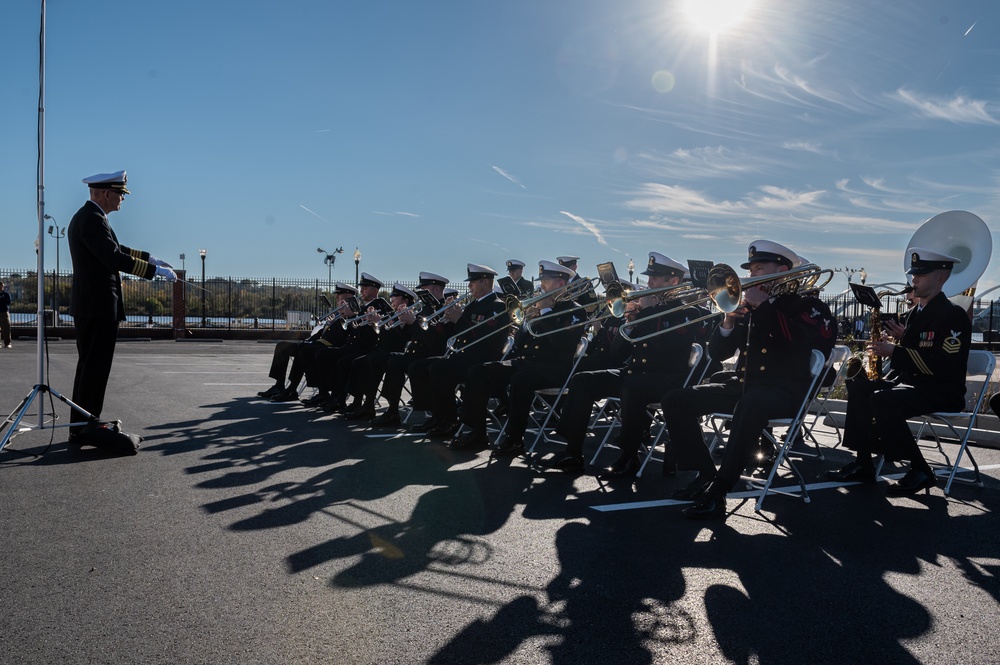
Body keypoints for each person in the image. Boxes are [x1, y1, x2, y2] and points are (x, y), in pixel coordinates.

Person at [660, 240, 835, 519]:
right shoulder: (750, 309)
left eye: (759, 268)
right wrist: (728, 322)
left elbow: (798, 342)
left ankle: (718, 492)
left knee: (751, 404)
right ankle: (706, 475)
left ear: (783, 270)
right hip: (745, 386)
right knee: (677, 399)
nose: (753, 276)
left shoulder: (808, 307)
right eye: (751, 270)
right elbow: (719, 353)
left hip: (785, 390)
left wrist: (764, 307)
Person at [547, 253, 711, 474]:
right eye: (650, 278)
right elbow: (616, 354)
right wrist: (630, 324)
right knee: (583, 380)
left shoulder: (686, 313)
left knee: (633, 387)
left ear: (673, 281)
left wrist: (649, 312)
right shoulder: (644, 313)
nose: (649, 283)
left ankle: (628, 455)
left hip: (667, 379)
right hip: (635, 373)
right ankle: (573, 450)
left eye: (655, 279)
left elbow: (666, 348)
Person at [825, 248, 971, 495]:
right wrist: (898, 343)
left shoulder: (953, 315)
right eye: (914, 273)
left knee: (884, 401)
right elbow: (917, 352)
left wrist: (895, 352)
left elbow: (943, 364)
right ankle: (863, 462)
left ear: (941, 278)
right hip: (916, 385)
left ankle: (920, 469)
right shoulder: (914, 314)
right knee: (860, 387)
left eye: (921, 274)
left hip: (942, 390)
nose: (914, 279)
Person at [67, 170, 176, 440]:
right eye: (120, 194)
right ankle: (86, 426)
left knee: (91, 367)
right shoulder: (91, 219)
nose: (122, 199)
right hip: (97, 307)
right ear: (106, 193)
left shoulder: (92, 217)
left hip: (94, 307)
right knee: (95, 368)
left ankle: (82, 424)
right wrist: (152, 272)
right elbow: (112, 256)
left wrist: (149, 257)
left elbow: (117, 247)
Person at [450, 260, 587, 454]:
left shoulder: (575, 310)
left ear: (561, 284)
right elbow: (521, 343)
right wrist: (527, 320)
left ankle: (515, 439)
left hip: (553, 369)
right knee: (479, 371)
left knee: (520, 380)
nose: (541, 286)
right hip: (526, 363)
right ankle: (477, 432)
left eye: (546, 281)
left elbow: (561, 344)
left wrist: (545, 312)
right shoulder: (539, 308)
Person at [407, 263, 509, 437]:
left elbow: (485, 337)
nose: (469, 285)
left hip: (482, 358)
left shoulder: (497, 306)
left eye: (473, 281)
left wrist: (459, 320)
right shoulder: (472, 306)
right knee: (421, 366)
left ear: (485, 282)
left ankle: (450, 420)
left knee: (439, 368)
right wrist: (447, 317)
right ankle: (438, 416)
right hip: (465, 356)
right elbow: (459, 332)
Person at [369, 271, 451, 426]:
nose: (420, 292)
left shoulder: (443, 310)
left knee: (413, 366)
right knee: (392, 361)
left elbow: (433, 340)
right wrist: (402, 323)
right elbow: (408, 337)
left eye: (424, 288)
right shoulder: (424, 309)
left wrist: (413, 322)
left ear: (436, 290)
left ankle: (431, 412)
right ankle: (392, 410)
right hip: (414, 353)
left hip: (431, 354)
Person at [259, 283, 355, 400]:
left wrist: (341, 319)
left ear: (348, 295)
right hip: (318, 341)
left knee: (305, 350)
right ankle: (279, 385)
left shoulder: (353, 311)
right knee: (282, 346)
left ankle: (292, 389)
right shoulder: (339, 310)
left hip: (330, 346)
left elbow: (342, 336)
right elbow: (324, 333)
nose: (337, 297)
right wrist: (317, 333)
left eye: (339, 294)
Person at [0, 281, 12, 348]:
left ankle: (7, 343)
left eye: (1, 285)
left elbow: (8, 302)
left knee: (6, 328)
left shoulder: (6, 294)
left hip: (4, 312)